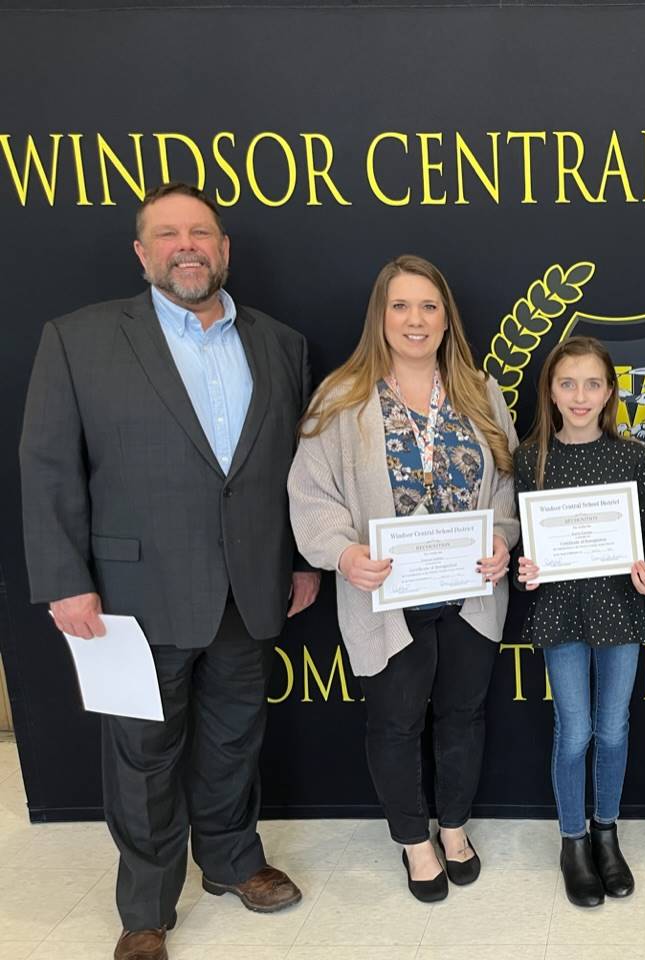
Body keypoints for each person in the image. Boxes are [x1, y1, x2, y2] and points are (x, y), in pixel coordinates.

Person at [19, 182, 318, 960]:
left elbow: (293, 471)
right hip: (132, 593)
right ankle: (146, 909)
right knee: (143, 755)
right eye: (169, 235)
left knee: (233, 738)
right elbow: (49, 465)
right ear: (142, 253)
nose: (188, 246)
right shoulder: (79, 339)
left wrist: (302, 562)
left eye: (202, 233)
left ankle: (230, 862)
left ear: (224, 249)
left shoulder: (280, 343)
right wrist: (64, 579)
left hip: (250, 587)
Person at [288, 255, 518, 903]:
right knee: (395, 724)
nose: (415, 320)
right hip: (382, 597)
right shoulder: (343, 396)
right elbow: (311, 494)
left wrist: (502, 537)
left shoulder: (479, 390)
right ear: (380, 317)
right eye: (400, 307)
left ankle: (452, 828)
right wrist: (341, 554)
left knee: (464, 717)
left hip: (470, 594)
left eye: (428, 307)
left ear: (447, 320)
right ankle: (414, 841)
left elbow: (505, 484)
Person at [513, 336, 645, 908]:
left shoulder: (631, 455)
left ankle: (606, 831)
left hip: (621, 609)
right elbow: (524, 546)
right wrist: (523, 570)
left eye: (593, 384)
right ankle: (572, 841)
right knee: (574, 731)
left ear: (610, 392)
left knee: (613, 729)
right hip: (559, 610)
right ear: (551, 391)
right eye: (567, 383)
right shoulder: (531, 457)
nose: (580, 396)